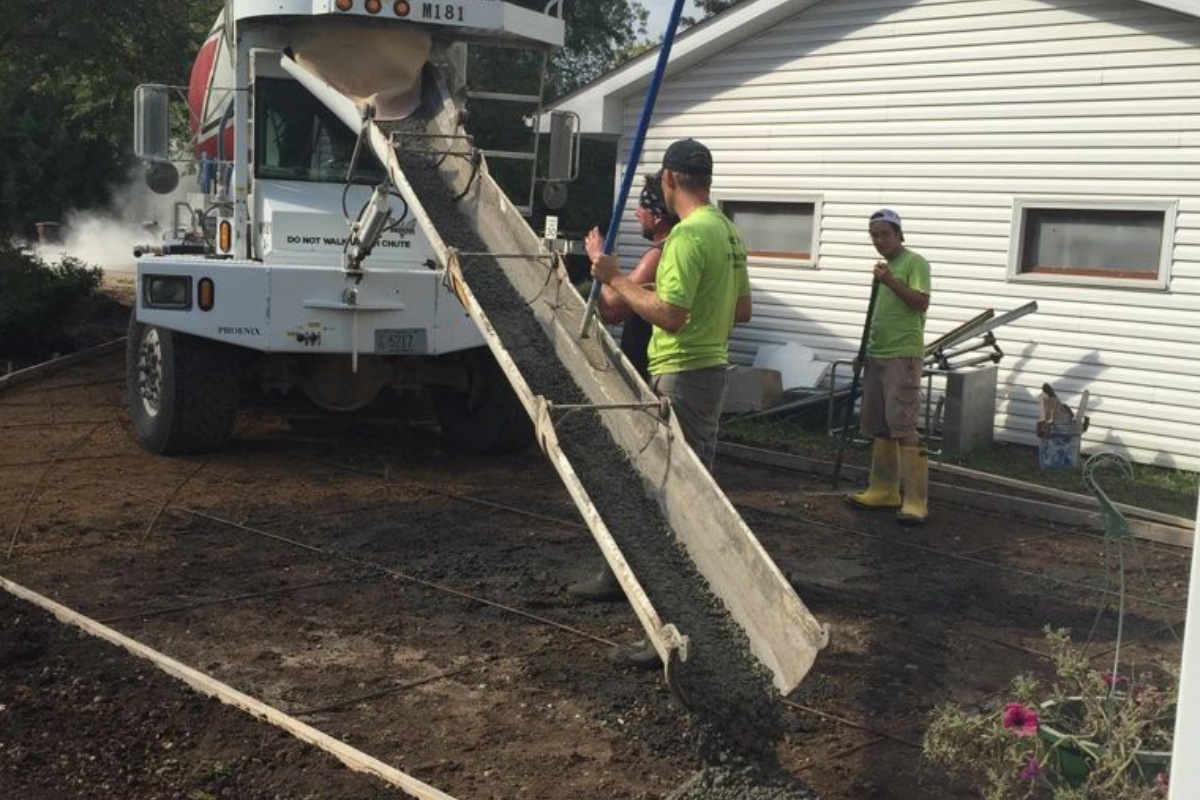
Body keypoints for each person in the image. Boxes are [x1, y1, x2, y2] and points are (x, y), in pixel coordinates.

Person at [572, 138, 752, 668]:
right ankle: (628, 587)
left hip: (683, 375)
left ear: (670, 180)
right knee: (664, 487)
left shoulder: (687, 238)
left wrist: (613, 278)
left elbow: (668, 314)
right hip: (707, 372)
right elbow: (741, 309)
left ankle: (676, 634)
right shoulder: (727, 233)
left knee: (676, 506)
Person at [846, 208, 932, 525]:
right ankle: (883, 490)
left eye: (884, 233)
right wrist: (863, 351)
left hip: (903, 355)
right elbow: (876, 314)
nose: (879, 240)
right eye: (874, 235)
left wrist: (891, 281)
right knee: (880, 423)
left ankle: (916, 500)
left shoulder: (913, 263)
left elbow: (920, 302)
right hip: (877, 353)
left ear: (899, 234)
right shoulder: (883, 270)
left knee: (904, 425)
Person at [597, 172, 679, 381]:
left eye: (643, 208)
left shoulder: (657, 257)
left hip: (646, 369)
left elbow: (611, 309)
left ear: (658, 217)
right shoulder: (677, 250)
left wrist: (598, 261)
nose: (637, 213)